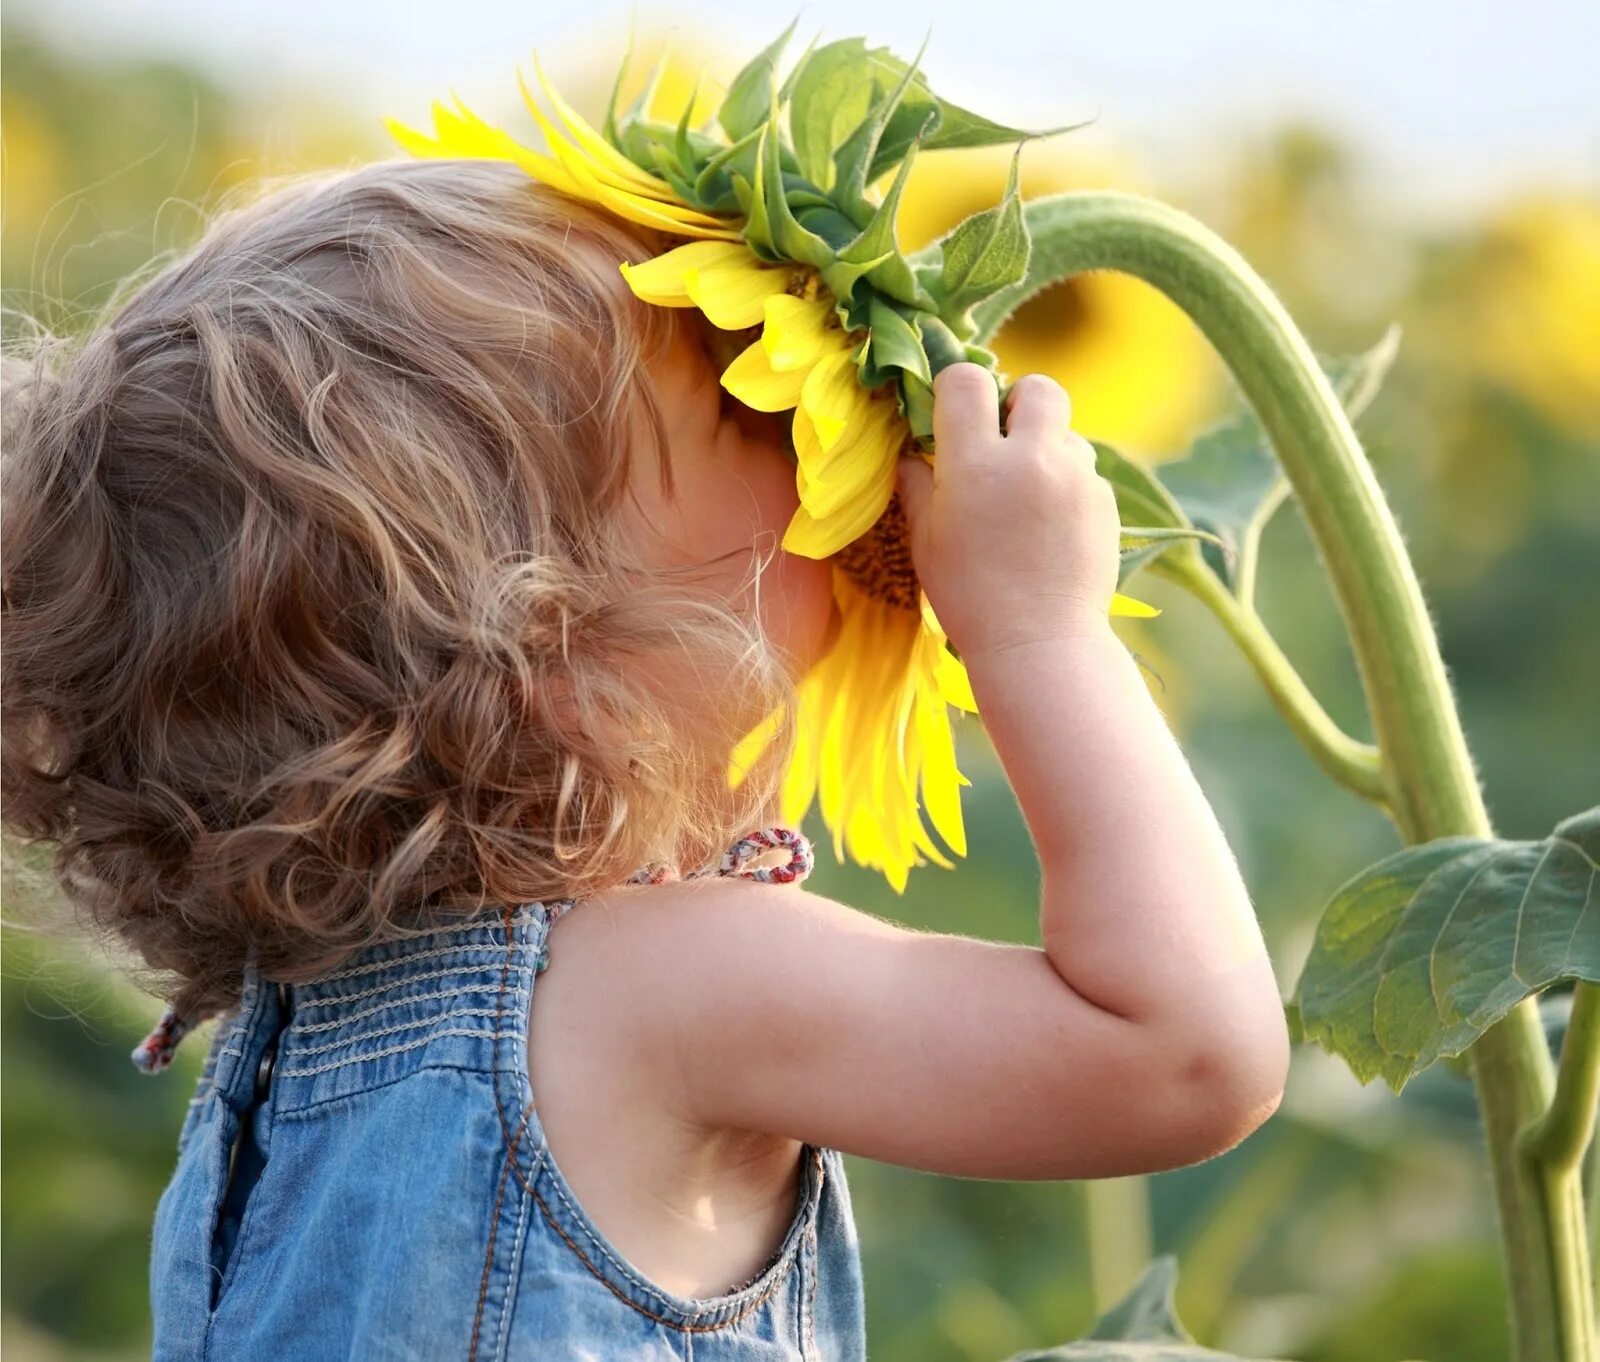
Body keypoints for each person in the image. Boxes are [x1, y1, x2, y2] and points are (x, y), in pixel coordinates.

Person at [0, 156, 1290, 1360]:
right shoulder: (660, 988)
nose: (806, 445)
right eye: (744, 413)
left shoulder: (287, 1041)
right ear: (565, 666)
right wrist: (1038, 628)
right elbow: (1185, 1053)